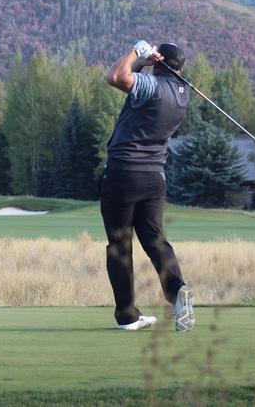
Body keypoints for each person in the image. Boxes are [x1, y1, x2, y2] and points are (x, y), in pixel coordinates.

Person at [100, 40, 195, 332]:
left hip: (123, 173)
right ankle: (178, 291)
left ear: (159, 61)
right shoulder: (183, 94)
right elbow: (138, 85)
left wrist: (136, 52)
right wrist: (147, 63)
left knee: (119, 245)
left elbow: (116, 76)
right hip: (154, 177)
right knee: (155, 239)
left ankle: (127, 316)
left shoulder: (151, 87)